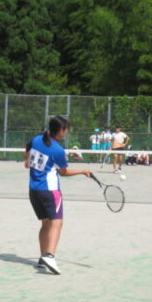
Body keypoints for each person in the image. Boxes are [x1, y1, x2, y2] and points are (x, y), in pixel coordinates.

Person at [24, 116, 92, 275]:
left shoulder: (36, 140)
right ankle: (49, 256)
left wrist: (27, 161)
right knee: (56, 223)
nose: (67, 132)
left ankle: (42, 258)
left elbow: (27, 149)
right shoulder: (57, 150)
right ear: (61, 130)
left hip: (33, 190)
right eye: (66, 129)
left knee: (45, 224)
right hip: (50, 191)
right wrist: (83, 171)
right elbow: (64, 172)